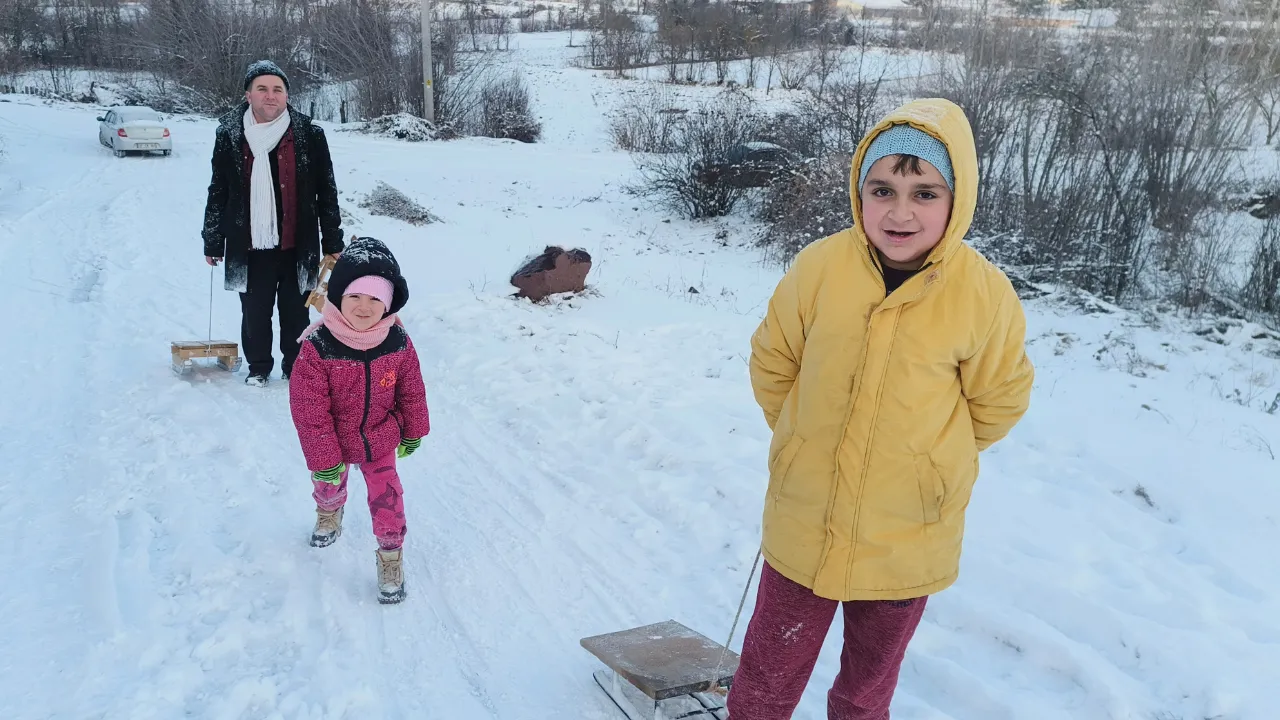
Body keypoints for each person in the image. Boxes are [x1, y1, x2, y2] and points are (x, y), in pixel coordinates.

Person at [729, 98, 1036, 719]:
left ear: (958, 199)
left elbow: (997, 402)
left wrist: (928, 461)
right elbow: (773, 362)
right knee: (765, 680)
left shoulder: (983, 295)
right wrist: (803, 441)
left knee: (866, 693)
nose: (900, 212)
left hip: (909, 534)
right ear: (858, 191)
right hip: (805, 521)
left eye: (925, 192)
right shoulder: (819, 268)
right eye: (882, 188)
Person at [289, 236, 429, 605]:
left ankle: (390, 555)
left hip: (379, 439)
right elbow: (308, 410)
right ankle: (329, 512)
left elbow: (411, 389)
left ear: (388, 303)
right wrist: (324, 459)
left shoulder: (396, 340)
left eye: (375, 299)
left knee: (389, 500)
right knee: (329, 484)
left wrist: (413, 429)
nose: (364, 308)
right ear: (337, 297)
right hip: (332, 439)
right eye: (355, 297)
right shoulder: (319, 344)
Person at [202, 59, 344, 387]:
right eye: (262, 89)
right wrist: (212, 239)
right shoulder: (230, 134)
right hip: (249, 245)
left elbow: (327, 189)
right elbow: (218, 188)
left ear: (286, 96)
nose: (270, 96)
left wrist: (333, 242)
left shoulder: (309, 134)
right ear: (248, 95)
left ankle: (296, 369)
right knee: (255, 314)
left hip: (299, 243)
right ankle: (259, 368)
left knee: (296, 313)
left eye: (277, 89)